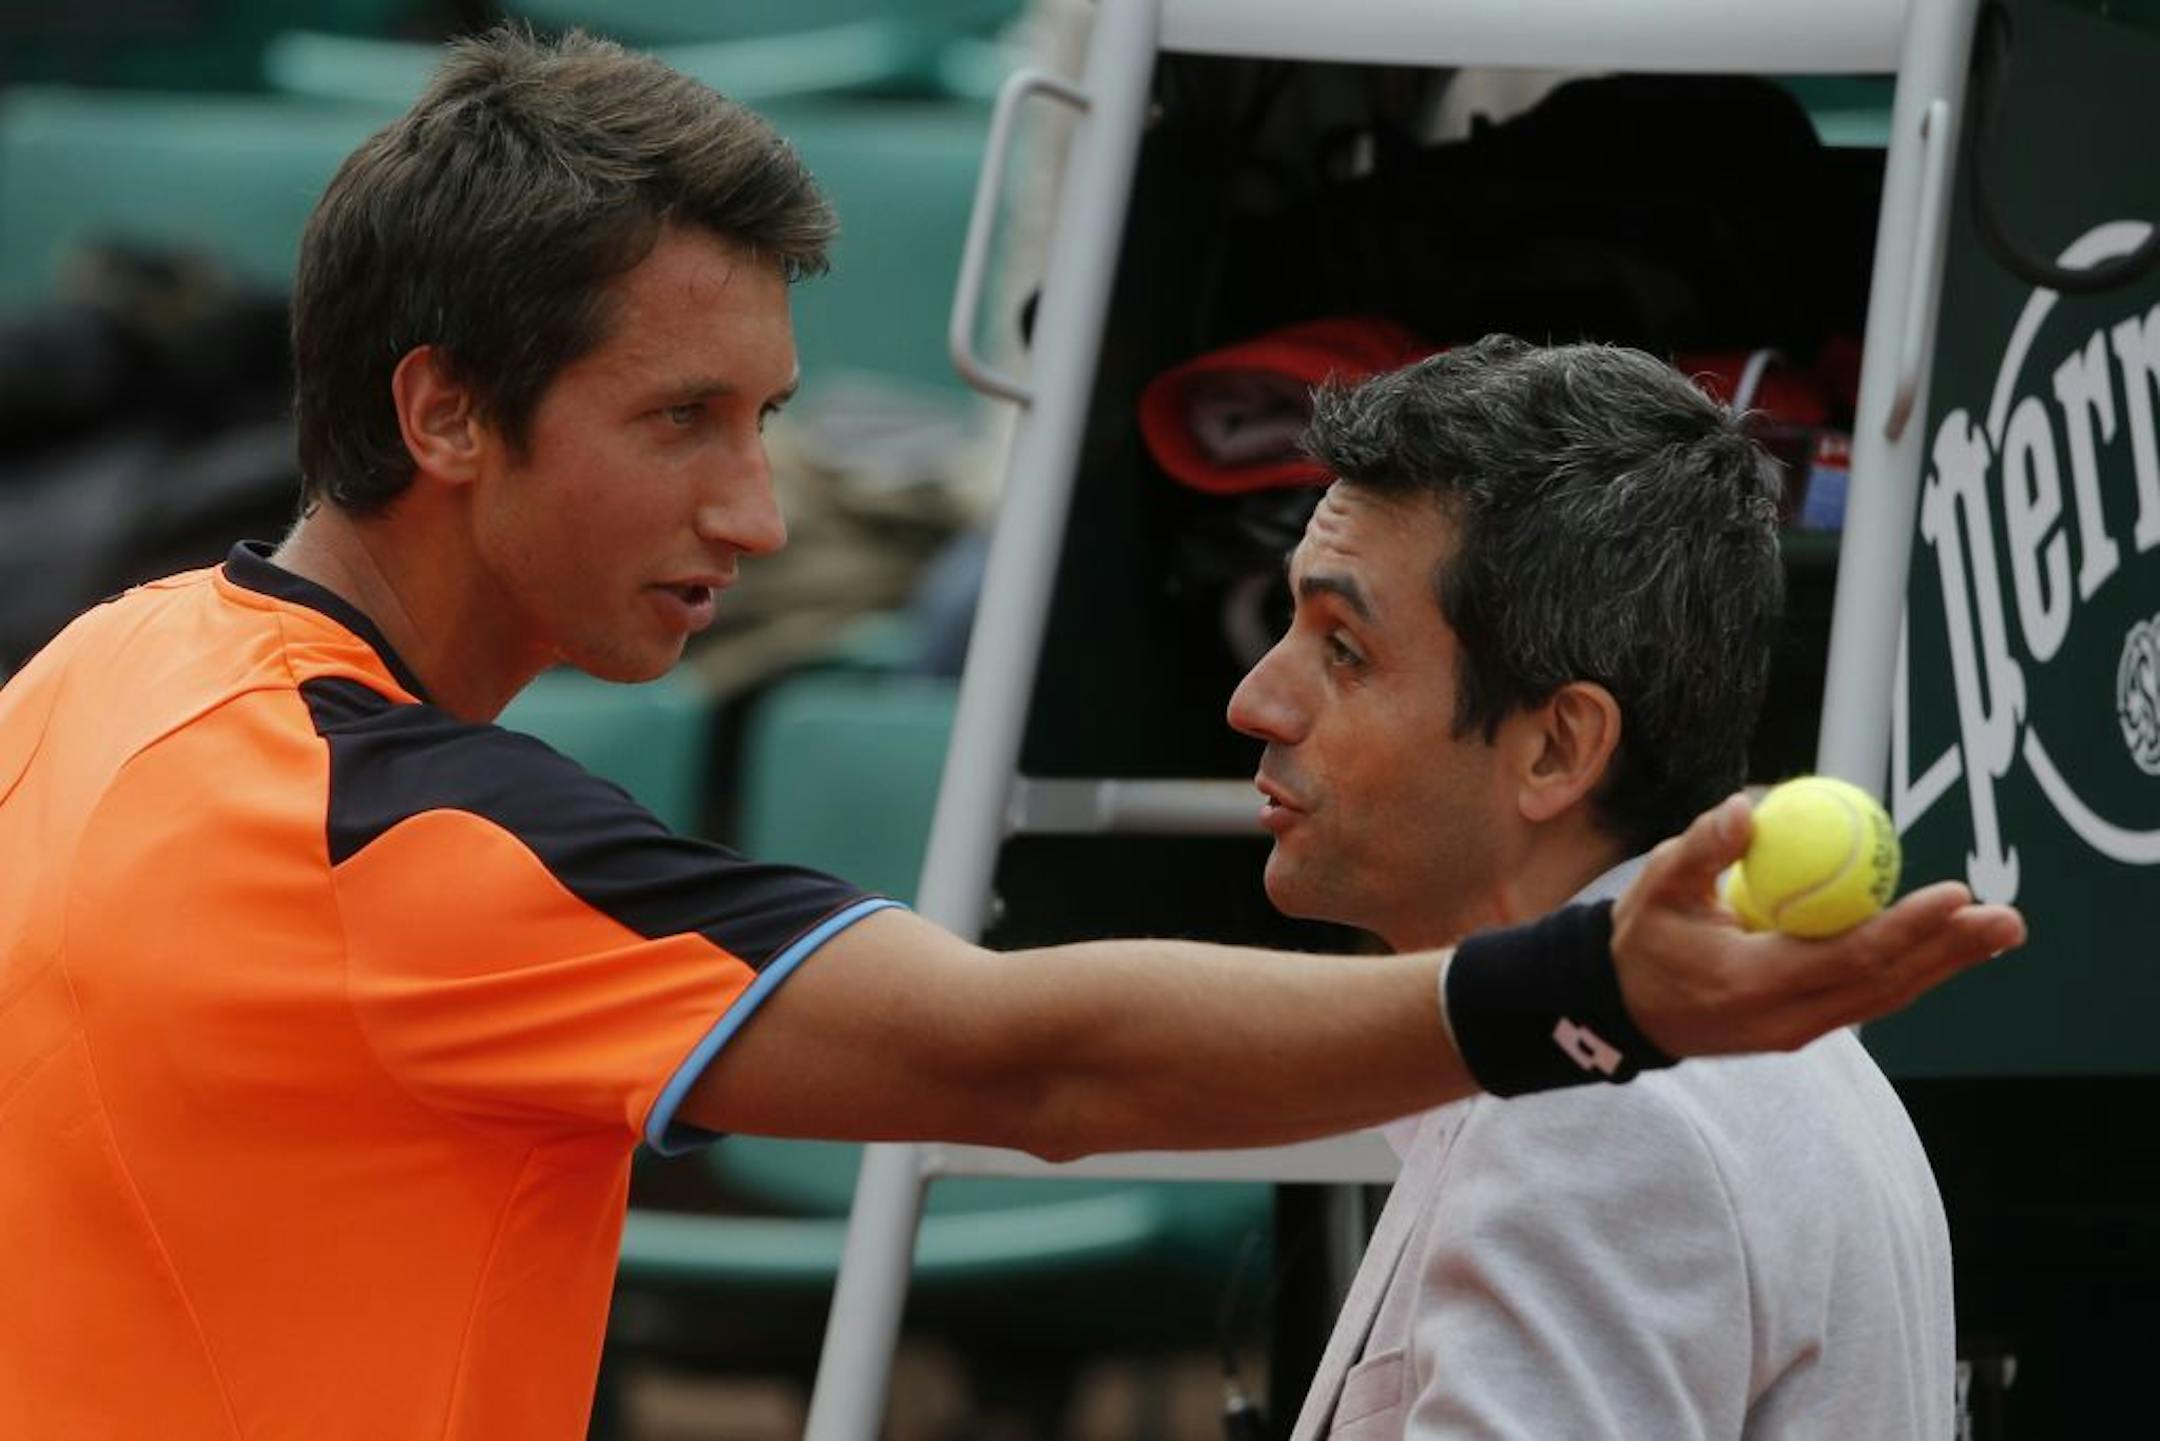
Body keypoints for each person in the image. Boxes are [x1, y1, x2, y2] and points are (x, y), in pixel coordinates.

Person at [0, 29, 2019, 1441]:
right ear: (443, 415)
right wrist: (1582, 994)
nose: (760, 515)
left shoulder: (84, 676)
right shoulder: (403, 845)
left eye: (769, 420)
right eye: (681, 421)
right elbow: (1030, 1059)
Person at [1225, 338, 1961, 1440]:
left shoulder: (1591, 1110)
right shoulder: (1650, 1071)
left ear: (1559, 748)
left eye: (1347, 650)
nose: (1257, 699)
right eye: (1291, 624)